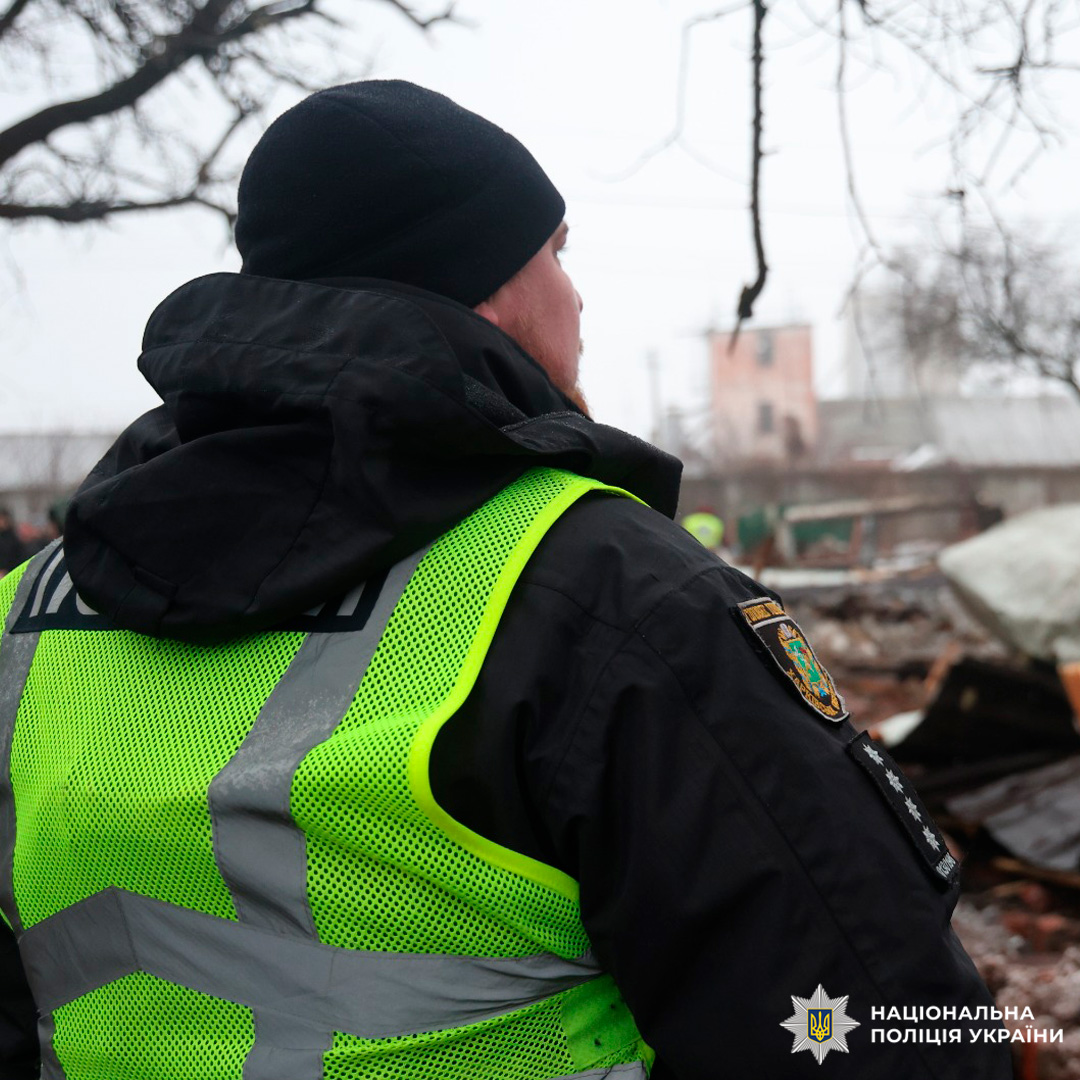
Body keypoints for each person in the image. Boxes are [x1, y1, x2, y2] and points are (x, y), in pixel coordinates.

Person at [0, 81, 1010, 1080]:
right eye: (559, 254)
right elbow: (873, 1031)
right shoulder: (604, 595)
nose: (579, 298)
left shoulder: (23, 621)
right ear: (482, 287)